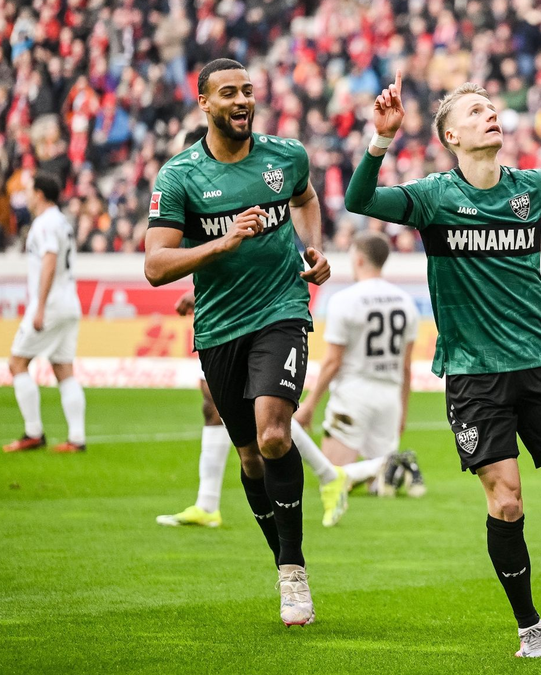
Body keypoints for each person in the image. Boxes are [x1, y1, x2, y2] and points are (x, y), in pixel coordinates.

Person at [344, 70, 541, 657]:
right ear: (452, 137)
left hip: (539, 363)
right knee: (506, 499)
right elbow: (359, 201)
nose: (491, 114)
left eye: (493, 107)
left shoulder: (530, 189)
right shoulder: (434, 197)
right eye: (476, 110)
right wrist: (380, 140)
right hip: (473, 374)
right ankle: (529, 626)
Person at [143, 59, 331, 627]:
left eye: (248, 90)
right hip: (221, 328)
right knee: (248, 454)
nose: (243, 100)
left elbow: (306, 198)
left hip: (281, 310)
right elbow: (155, 265)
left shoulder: (286, 156)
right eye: (229, 93)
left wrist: (313, 248)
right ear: (204, 103)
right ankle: (281, 559)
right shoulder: (179, 177)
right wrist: (219, 246)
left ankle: (294, 570)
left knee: (274, 434)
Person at [156, 291, 352, 530]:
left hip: (255, 310)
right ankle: (207, 503)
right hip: (221, 312)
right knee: (213, 405)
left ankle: (328, 475)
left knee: (258, 411)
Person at [294, 231, 424, 525]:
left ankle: (393, 463)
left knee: (332, 474)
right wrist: (403, 409)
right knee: (378, 485)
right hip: (389, 396)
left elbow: (332, 362)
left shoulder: (345, 300)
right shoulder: (406, 302)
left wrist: (310, 403)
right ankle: (396, 464)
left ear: (359, 259)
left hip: (354, 394)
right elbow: (406, 367)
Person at [4, 174, 86, 454]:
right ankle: (76, 438)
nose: (26, 195)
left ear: (39, 194)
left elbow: (50, 260)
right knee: (63, 369)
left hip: (50, 305)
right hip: (68, 302)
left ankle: (33, 433)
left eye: (29, 190)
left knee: (16, 363)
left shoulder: (45, 223)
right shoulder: (61, 221)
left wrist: (39, 306)